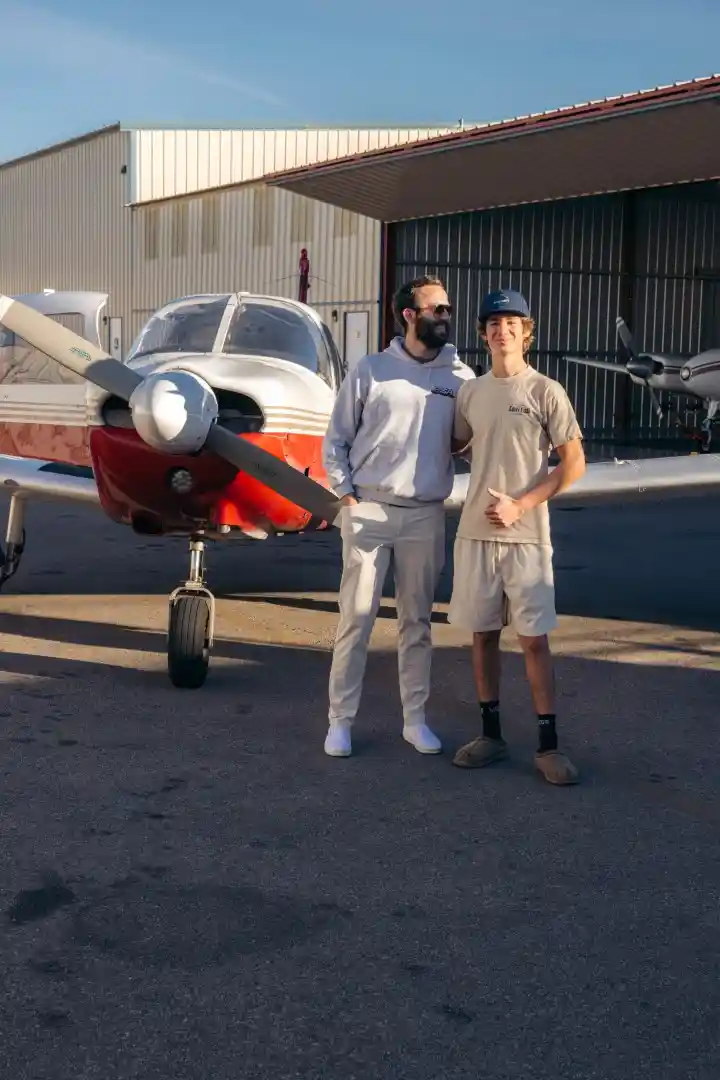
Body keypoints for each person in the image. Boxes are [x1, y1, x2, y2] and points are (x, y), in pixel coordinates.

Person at [321, 275, 475, 757]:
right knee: (356, 621)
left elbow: (467, 439)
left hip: (425, 514)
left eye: (448, 310)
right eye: (436, 310)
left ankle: (415, 721)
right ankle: (340, 722)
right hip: (368, 508)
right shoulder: (370, 370)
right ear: (408, 314)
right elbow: (336, 439)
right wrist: (346, 497)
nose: (445, 317)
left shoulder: (461, 378)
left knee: (417, 624)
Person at [448, 288, 586, 785]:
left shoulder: (546, 390)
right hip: (475, 535)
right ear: (483, 334)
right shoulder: (470, 392)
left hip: (527, 536)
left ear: (526, 331)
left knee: (533, 642)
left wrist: (521, 503)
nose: (501, 330)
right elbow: (455, 444)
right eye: (492, 323)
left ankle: (548, 746)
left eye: (511, 322)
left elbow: (574, 464)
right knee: (482, 636)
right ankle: (491, 736)